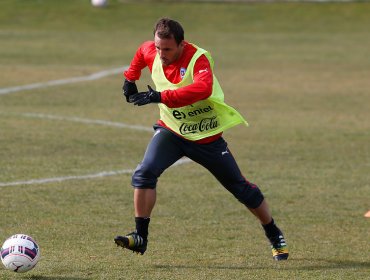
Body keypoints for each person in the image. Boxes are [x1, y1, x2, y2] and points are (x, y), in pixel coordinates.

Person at [114, 18, 289, 261]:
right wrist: (129, 79)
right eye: (158, 48)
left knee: (241, 189)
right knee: (144, 173)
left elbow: (202, 89)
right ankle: (140, 236)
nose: (161, 54)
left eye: (167, 49)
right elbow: (141, 53)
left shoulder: (198, 58)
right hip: (172, 131)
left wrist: (160, 96)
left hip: (206, 137)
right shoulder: (151, 50)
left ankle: (273, 232)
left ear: (181, 45)